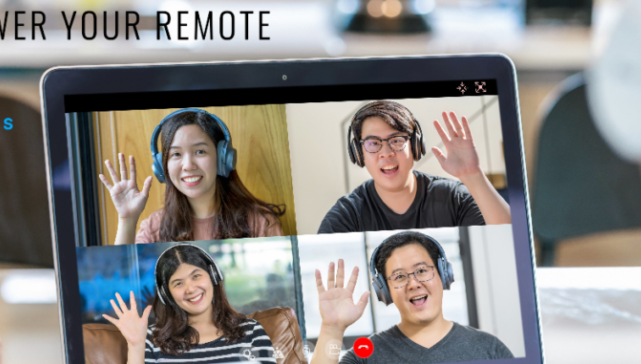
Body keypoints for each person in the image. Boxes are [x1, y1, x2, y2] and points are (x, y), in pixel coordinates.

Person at [310, 231, 512, 364]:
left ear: (443, 275)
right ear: (386, 291)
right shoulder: (366, 355)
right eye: (399, 276)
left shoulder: (489, 349)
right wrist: (332, 328)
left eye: (422, 270)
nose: (413, 283)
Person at [318, 101, 510, 234]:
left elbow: (511, 239)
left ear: (415, 146)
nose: (386, 153)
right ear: (359, 154)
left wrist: (473, 174)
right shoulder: (347, 215)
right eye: (373, 143)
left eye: (396, 140)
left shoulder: (454, 198)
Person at [100, 108, 285, 244]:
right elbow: (126, 287)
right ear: (162, 167)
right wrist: (127, 220)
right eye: (176, 154)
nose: (188, 165)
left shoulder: (260, 223)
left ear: (223, 158)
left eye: (200, 152)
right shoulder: (154, 228)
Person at [102, 244, 277, 364]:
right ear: (166, 295)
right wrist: (135, 345)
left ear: (213, 277)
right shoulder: (151, 340)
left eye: (196, 276)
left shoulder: (251, 331)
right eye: (178, 283)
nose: (190, 289)